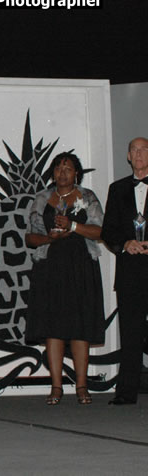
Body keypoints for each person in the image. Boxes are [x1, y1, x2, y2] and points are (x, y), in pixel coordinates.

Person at [24, 152, 105, 405]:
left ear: (76, 173)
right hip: (50, 267)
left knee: (80, 326)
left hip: (80, 266)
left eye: (68, 168)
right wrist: (51, 238)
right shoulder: (41, 198)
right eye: (58, 168)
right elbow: (30, 237)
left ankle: (82, 386)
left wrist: (72, 227)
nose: (62, 172)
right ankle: (56, 386)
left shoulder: (87, 197)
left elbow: (100, 230)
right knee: (53, 325)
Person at [101, 136, 148, 405]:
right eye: (134, 150)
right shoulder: (117, 189)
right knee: (130, 331)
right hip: (129, 271)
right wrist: (124, 244)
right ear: (128, 156)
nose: (138, 154)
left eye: (143, 149)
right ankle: (126, 391)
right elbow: (108, 230)